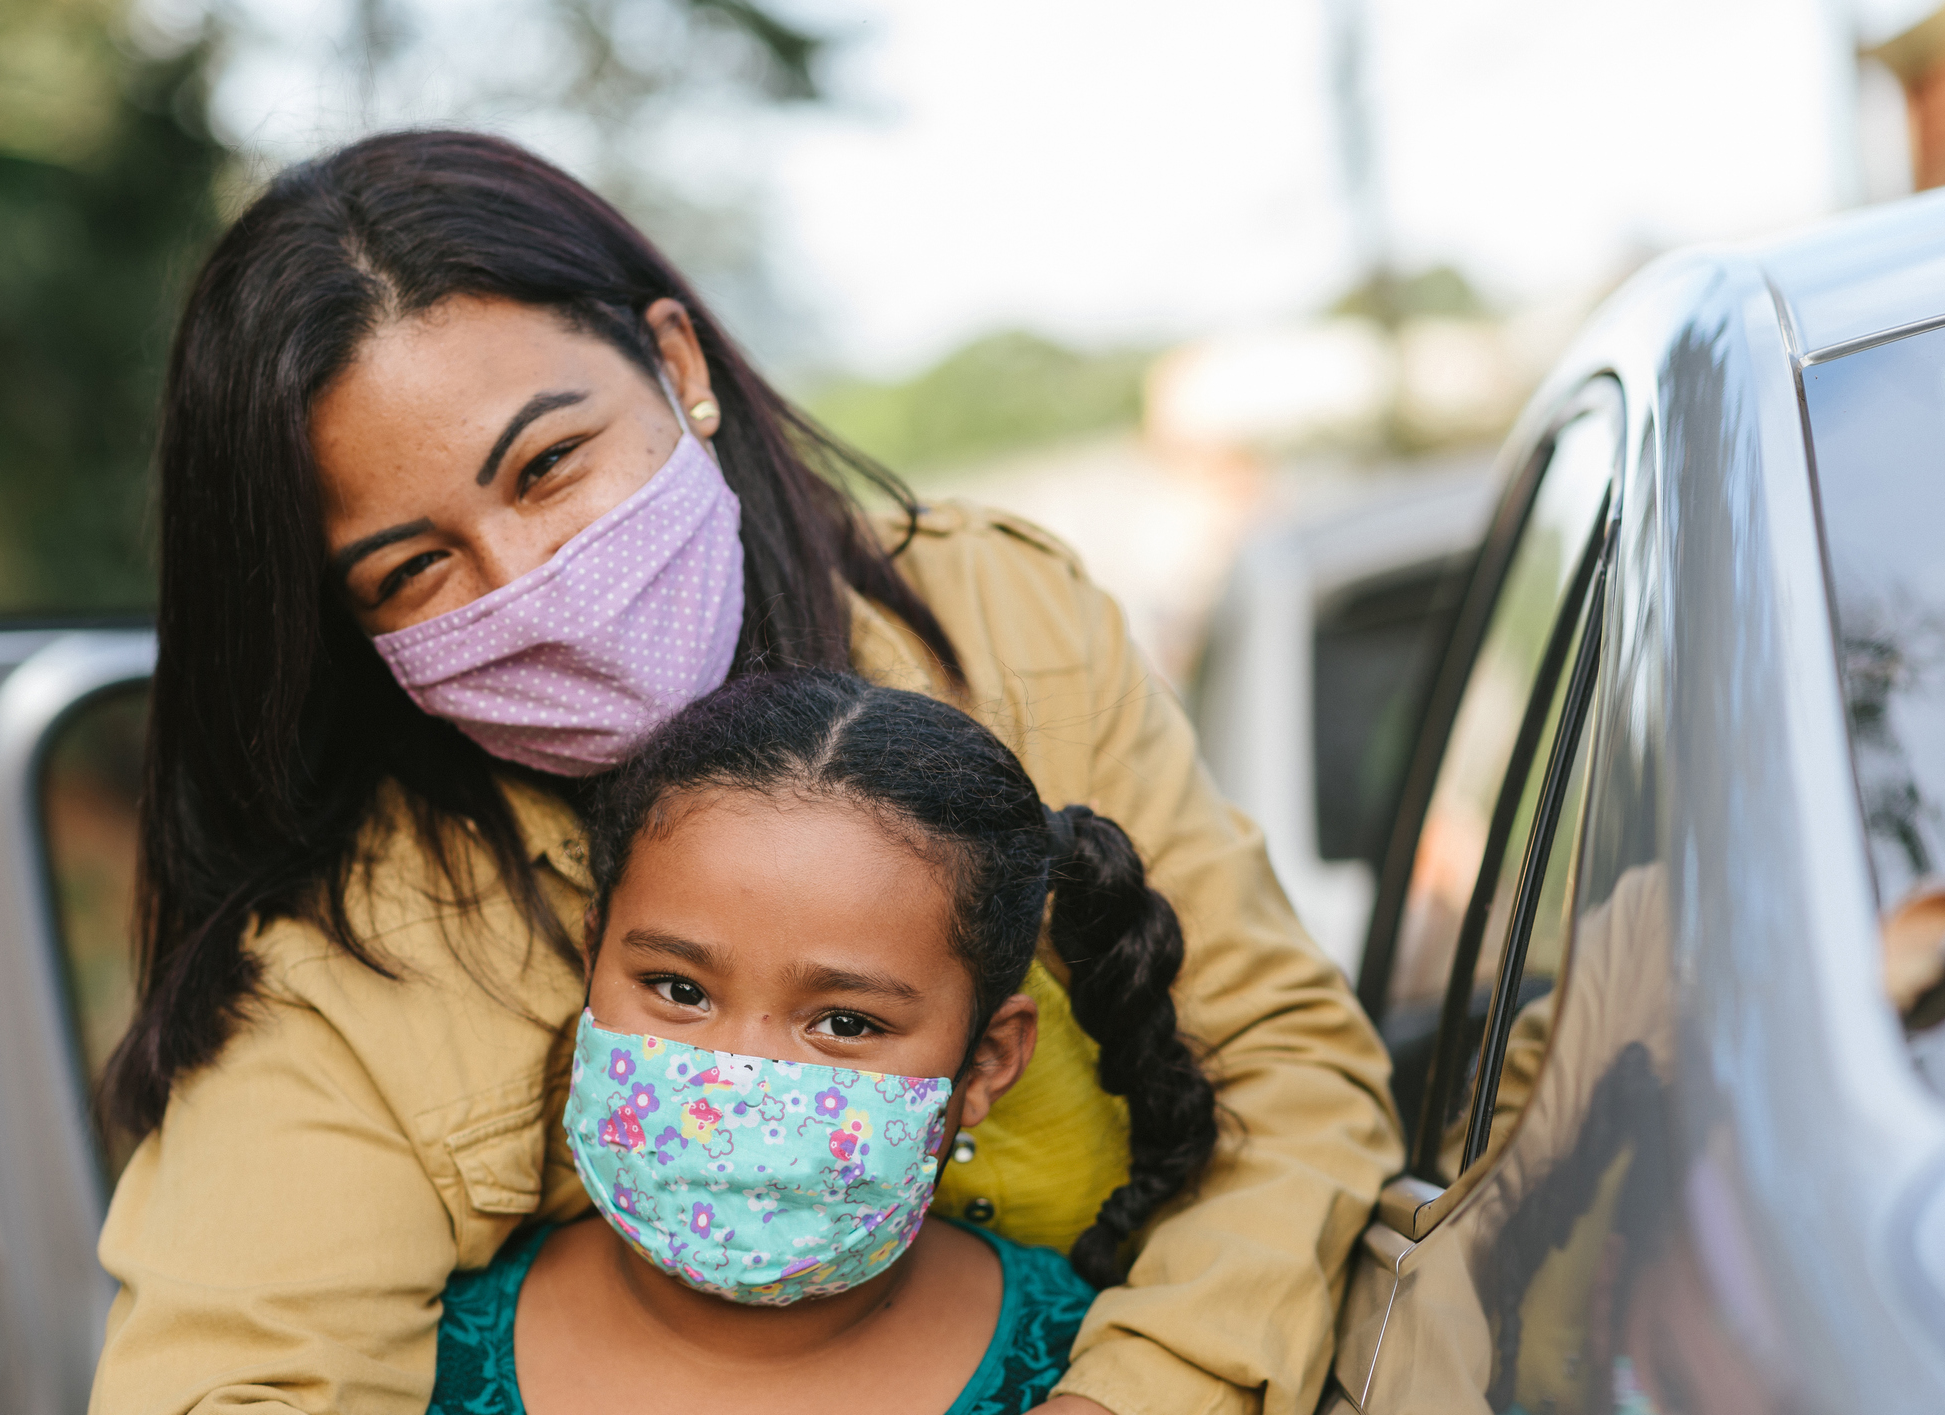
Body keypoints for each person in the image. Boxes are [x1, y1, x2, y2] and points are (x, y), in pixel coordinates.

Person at [88, 129, 1401, 1415]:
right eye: (411, 569)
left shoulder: (1005, 624)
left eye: (547, 465)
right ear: (348, 630)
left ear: (675, 363)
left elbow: (1282, 1075)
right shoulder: (350, 958)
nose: (527, 586)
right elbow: (237, 1370)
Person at [432, 668, 1220, 1414]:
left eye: (845, 1022)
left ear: (986, 1061)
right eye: (680, 989)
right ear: (591, 958)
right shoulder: (417, 1352)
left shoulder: (1090, 1365)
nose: (737, 1077)